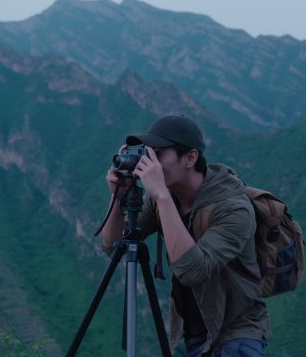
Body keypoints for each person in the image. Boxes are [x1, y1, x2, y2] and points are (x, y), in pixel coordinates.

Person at [101, 115, 270, 357]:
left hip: (237, 333)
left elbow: (193, 271)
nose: (150, 164)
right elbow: (113, 246)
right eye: (148, 155)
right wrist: (119, 197)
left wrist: (161, 196)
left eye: (158, 155)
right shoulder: (164, 199)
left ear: (190, 158)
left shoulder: (233, 208)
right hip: (193, 333)